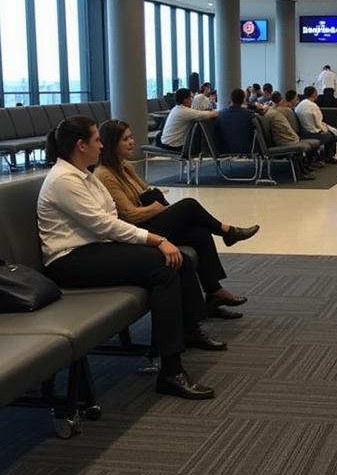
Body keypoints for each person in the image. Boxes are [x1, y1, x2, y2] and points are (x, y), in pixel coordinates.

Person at [37, 116, 222, 400]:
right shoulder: (64, 180)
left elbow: (110, 216)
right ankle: (171, 370)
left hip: (96, 248)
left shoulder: (84, 174)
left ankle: (186, 332)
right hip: (69, 260)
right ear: (80, 145)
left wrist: (157, 241)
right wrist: (157, 240)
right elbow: (105, 224)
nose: (101, 145)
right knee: (164, 266)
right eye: (97, 140)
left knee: (176, 259)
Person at [95, 119, 259, 318]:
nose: (131, 142)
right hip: (137, 231)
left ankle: (215, 292)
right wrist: (157, 208)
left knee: (200, 234)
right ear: (112, 143)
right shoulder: (105, 175)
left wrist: (157, 205)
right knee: (189, 205)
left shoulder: (124, 167)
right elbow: (129, 214)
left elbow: (146, 190)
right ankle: (227, 231)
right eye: (126, 139)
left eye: (131, 137)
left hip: (147, 220)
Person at [158, 86, 218, 150]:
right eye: (191, 98)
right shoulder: (184, 111)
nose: (192, 101)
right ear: (186, 100)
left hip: (166, 142)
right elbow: (211, 114)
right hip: (173, 146)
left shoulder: (176, 109)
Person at [295, 86, 337, 164]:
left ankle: (323, 156)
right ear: (314, 94)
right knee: (333, 135)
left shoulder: (300, 105)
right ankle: (329, 156)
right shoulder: (313, 106)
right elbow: (318, 123)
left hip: (303, 132)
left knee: (331, 132)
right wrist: (326, 130)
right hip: (312, 133)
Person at [217, 88, 256, 154]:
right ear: (243, 100)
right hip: (246, 149)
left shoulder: (220, 114)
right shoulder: (250, 114)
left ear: (231, 99)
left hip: (224, 150)